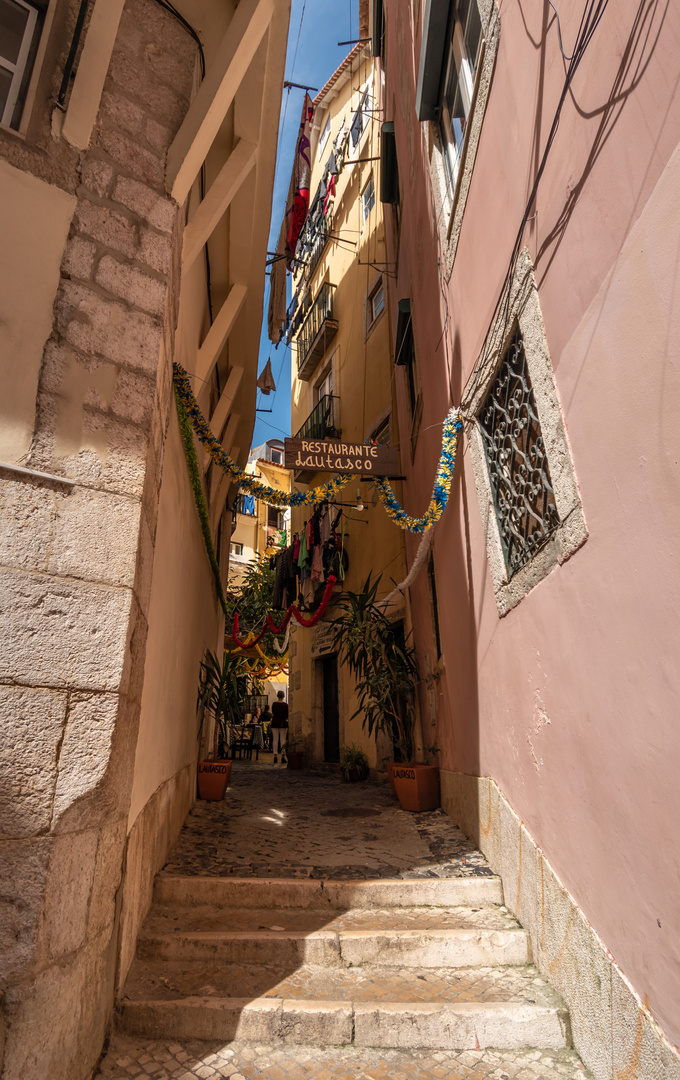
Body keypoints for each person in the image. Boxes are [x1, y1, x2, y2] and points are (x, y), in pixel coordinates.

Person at [270, 690, 289, 764]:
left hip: (274, 723)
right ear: (283, 696)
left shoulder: (274, 704)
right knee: (283, 740)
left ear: (277, 696)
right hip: (283, 723)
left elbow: (273, 713)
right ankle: (283, 756)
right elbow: (287, 715)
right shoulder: (285, 705)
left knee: (275, 739)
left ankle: (275, 755)